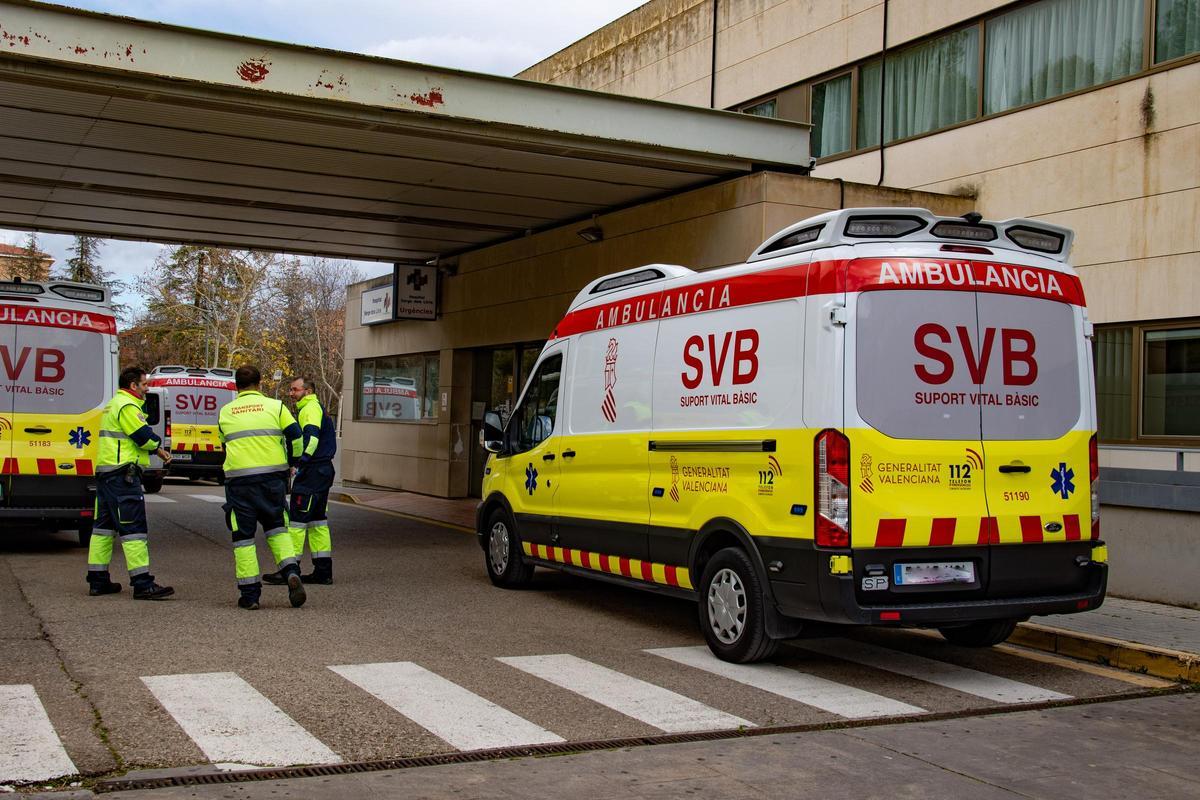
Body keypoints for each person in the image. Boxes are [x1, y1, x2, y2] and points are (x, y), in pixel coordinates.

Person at [218, 365, 306, 610]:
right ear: (260, 383)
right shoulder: (276, 407)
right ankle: (291, 571)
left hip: (240, 482)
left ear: (236, 386)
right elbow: (296, 436)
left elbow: (224, 444)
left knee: (243, 539)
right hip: (272, 480)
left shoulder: (225, 412)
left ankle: (250, 596)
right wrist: (293, 462)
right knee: (277, 528)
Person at [87, 367, 175, 600]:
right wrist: (158, 445)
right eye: (144, 384)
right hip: (122, 476)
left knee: (103, 530)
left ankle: (98, 580)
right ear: (133, 385)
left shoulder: (113, 404)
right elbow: (143, 436)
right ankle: (142, 584)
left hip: (107, 474)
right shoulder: (127, 405)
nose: (147, 388)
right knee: (133, 529)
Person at [264, 376, 337, 586]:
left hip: (312, 471)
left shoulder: (309, 408)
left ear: (308, 391)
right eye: (291, 390)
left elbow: (311, 438)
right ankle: (323, 571)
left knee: (297, 520)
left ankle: (290, 570)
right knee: (318, 522)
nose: (291, 393)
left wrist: (299, 462)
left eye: (295, 390)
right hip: (323, 470)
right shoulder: (316, 407)